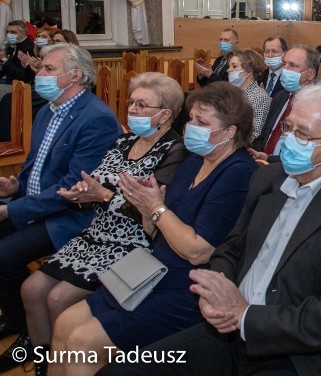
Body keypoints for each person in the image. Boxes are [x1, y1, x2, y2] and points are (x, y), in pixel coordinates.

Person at [103, 84, 321, 376]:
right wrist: (218, 291)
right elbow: (231, 248)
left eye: (301, 134)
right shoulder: (269, 177)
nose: (287, 140)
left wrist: (246, 316)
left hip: (297, 353)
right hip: (230, 330)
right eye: (288, 127)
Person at [51, 82, 257, 375]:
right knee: (64, 323)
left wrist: (156, 208)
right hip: (153, 267)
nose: (191, 128)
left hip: (189, 285)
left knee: (83, 342)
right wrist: (148, 208)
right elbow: (155, 232)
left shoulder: (237, 173)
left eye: (202, 122)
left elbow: (198, 251)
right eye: (191, 120)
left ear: (230, 131)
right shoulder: (193, 162)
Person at [16, 73, 188, 373]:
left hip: (134, 244)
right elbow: (98, 181)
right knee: (32, 289)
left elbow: (152, 210)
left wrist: (104, 196)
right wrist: (82, 194)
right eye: (132, 102)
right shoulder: (124, 140)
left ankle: (68, 364)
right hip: (97, 234)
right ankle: (45, 363)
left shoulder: (175, 151)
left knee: (58, 298)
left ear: (166, 114)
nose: (132, 109)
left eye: (142, 105)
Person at [0, 44, 122, 354]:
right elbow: (37, 167)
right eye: (41, 68)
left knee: (3, 256)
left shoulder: (96, 118)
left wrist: (11, 210)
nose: (39, 74)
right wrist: (15, 187)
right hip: (38, 204)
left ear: (75, 76)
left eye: (48, 69)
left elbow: (71, 191)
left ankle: (30, 333)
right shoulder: (47, 111)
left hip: (71, 215)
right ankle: (18, 317)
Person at [250, 45, 319, 158]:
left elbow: (305, 154)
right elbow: (264, 134)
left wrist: (269, 160)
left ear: (310, 74)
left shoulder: (317, 106)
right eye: (284, 64)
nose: (285, 69)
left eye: (293, 65)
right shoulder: (280, 97)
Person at [226, 49, 271, 142]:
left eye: (234, 66)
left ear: (249, 70)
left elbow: (255, 134)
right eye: (229, 66)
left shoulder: (259, 97)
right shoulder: (233, 93)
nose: (228, 70)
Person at [0, 20, 35, 84]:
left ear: (24, 33)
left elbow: (21, 74)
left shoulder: (29, 47)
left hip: (19, 84)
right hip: (6, 79)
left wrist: (4, 59)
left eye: (13, 32)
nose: (9, 34)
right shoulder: (11, 46)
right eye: (7, 32)